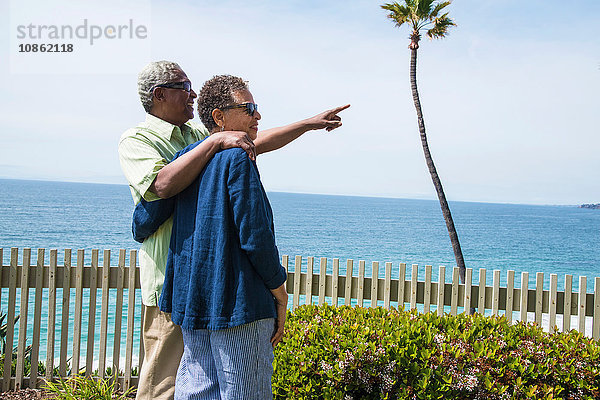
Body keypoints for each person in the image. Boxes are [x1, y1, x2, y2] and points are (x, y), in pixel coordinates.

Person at [118, 61, 349, 400]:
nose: (191, 93)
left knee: (196, 385)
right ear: (160, 94)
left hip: (195, 286)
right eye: (184, 86)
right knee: (165, 384)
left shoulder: (194, 140)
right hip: (176, 281)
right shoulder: (139, 140)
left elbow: (253, 141)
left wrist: (306, 124)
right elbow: (164, 185)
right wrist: (278, 288)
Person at [134, 74, 293, 399]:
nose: (257, 115)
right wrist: (279, 289)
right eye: (249, 108)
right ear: (219, 117)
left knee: (197, 392)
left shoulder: (187, 159)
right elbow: (255, 236)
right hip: (239, 304)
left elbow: (141, 222)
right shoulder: (237, 158)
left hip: (194, 303)